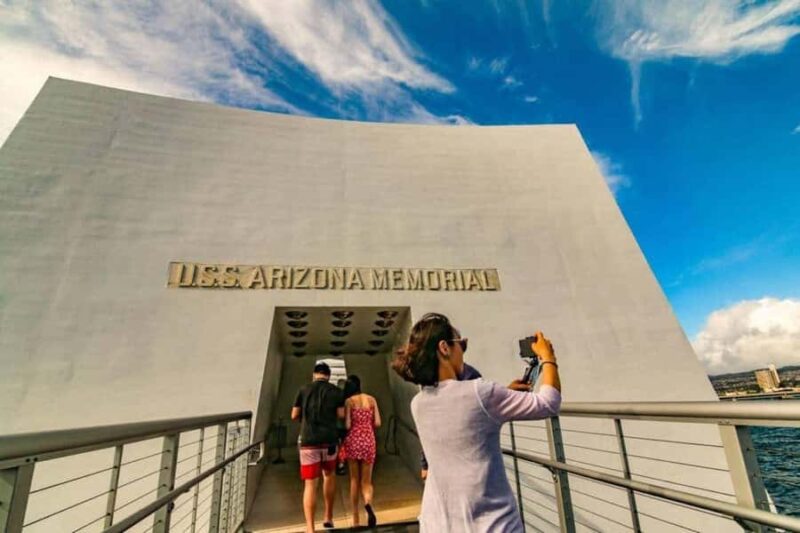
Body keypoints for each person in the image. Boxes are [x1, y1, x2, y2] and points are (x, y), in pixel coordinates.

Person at [392, 313, 561, 532]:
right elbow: (549, 403)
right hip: (490, 524)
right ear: (444, 348)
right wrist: (548, 358)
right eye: (461, 344)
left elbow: (462, 417)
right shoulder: (481, 392)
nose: (462, 351)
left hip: (438, 523)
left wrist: (503, 396)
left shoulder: (418, 403)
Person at [292, 362, 346, 533]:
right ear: (328, 375)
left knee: (310, 485)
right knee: (329, 477)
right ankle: (328, 517)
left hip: (309, 442)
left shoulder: (303, 390)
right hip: (329, 441)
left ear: (314, 374)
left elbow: (294, 415)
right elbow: (341, 415)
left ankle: (310, 528)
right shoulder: (337, 392)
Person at [420, 362, 482, 480]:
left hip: (464, 454)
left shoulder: (470, 376)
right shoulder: (431, 383)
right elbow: (429, 427)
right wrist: (425, 464)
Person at [342, 374, 381, 528]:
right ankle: (368, 504)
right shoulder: (371, 400)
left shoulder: (349, 402)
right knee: (367, 481)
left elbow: (347, 425)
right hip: (369, 441)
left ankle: (355, 519)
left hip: (353, 441)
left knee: (354, 480)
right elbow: (377, 422)